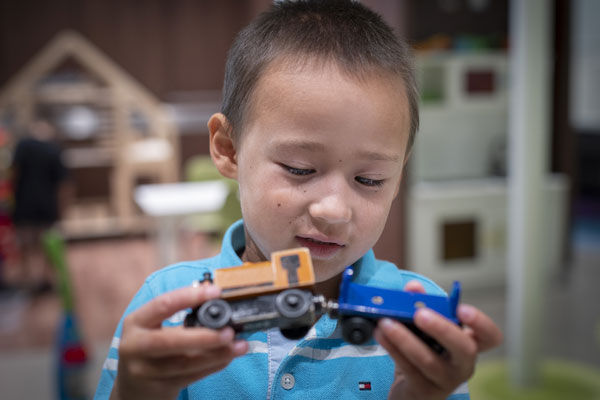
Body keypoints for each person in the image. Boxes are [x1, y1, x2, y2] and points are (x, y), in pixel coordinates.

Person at [96, 1, 503, 399]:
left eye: (369, 178)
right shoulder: (167, 306)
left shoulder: (419, 316)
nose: (334, 210)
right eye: (299, 169)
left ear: (399, 177)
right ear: (229, 149)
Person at [10, 115, 70, 294]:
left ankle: (26, 277)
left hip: (24, 203)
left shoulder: (23, 146)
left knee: (25, 242)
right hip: (47, 204)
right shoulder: (54, 149)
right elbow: (64, 185)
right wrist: (62, 209)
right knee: (48, 244)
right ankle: (44, 278)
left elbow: (14, 173)